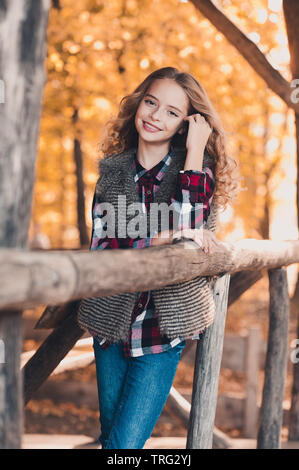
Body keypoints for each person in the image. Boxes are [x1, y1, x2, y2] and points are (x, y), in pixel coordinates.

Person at [77, 66, 240, 449]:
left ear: (186, 124)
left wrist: (196, 151)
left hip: (160, 333)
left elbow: (189, 244)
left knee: (123, 446)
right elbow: (104, 248)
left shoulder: (197, 172)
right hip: (109, 324)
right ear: (139, 103)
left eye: (171, 112)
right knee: (110, 438)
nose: (154, 116)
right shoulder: (113, 172)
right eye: (151, 102)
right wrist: (166, 235)